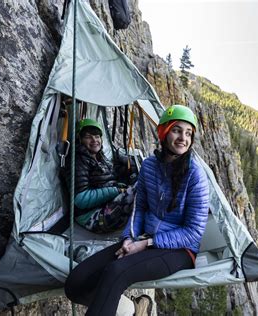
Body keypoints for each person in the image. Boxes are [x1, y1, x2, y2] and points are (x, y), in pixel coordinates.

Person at [65, 105, 210, 315]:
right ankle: (131, 309)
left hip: (180, 249)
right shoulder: (150, 165)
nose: (183, 138)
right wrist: (128, 238)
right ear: (164, 131)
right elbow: (139, 207)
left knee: (116, 271)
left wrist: (146, 243)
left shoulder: (195, 175)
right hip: (143, 237)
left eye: (189, 133)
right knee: (76, 282)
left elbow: (194, 232)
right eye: (177, 130)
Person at [67, 118, 134, 233]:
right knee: (138, 191)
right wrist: (116, 190)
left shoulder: (98, 156)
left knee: (141, 179)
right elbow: (81, 199)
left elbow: (107, 177)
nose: (94, 140)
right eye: (88, 137)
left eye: (97, 136)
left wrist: (127, 168)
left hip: (106, 205)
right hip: (92, 217)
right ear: (80, 139)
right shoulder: (77, 160)